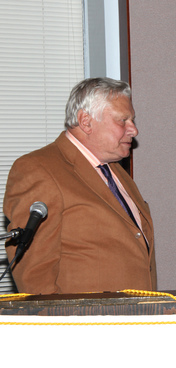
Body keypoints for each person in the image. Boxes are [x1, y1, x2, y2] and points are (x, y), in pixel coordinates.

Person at [4, 77, 156, 295]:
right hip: (82, 325)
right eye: (123, 120)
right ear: (86, 121)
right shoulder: (38, 169)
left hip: (135, 320)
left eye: (132, 120)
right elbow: (34, 275)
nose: (134, 130)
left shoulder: (116, 172)